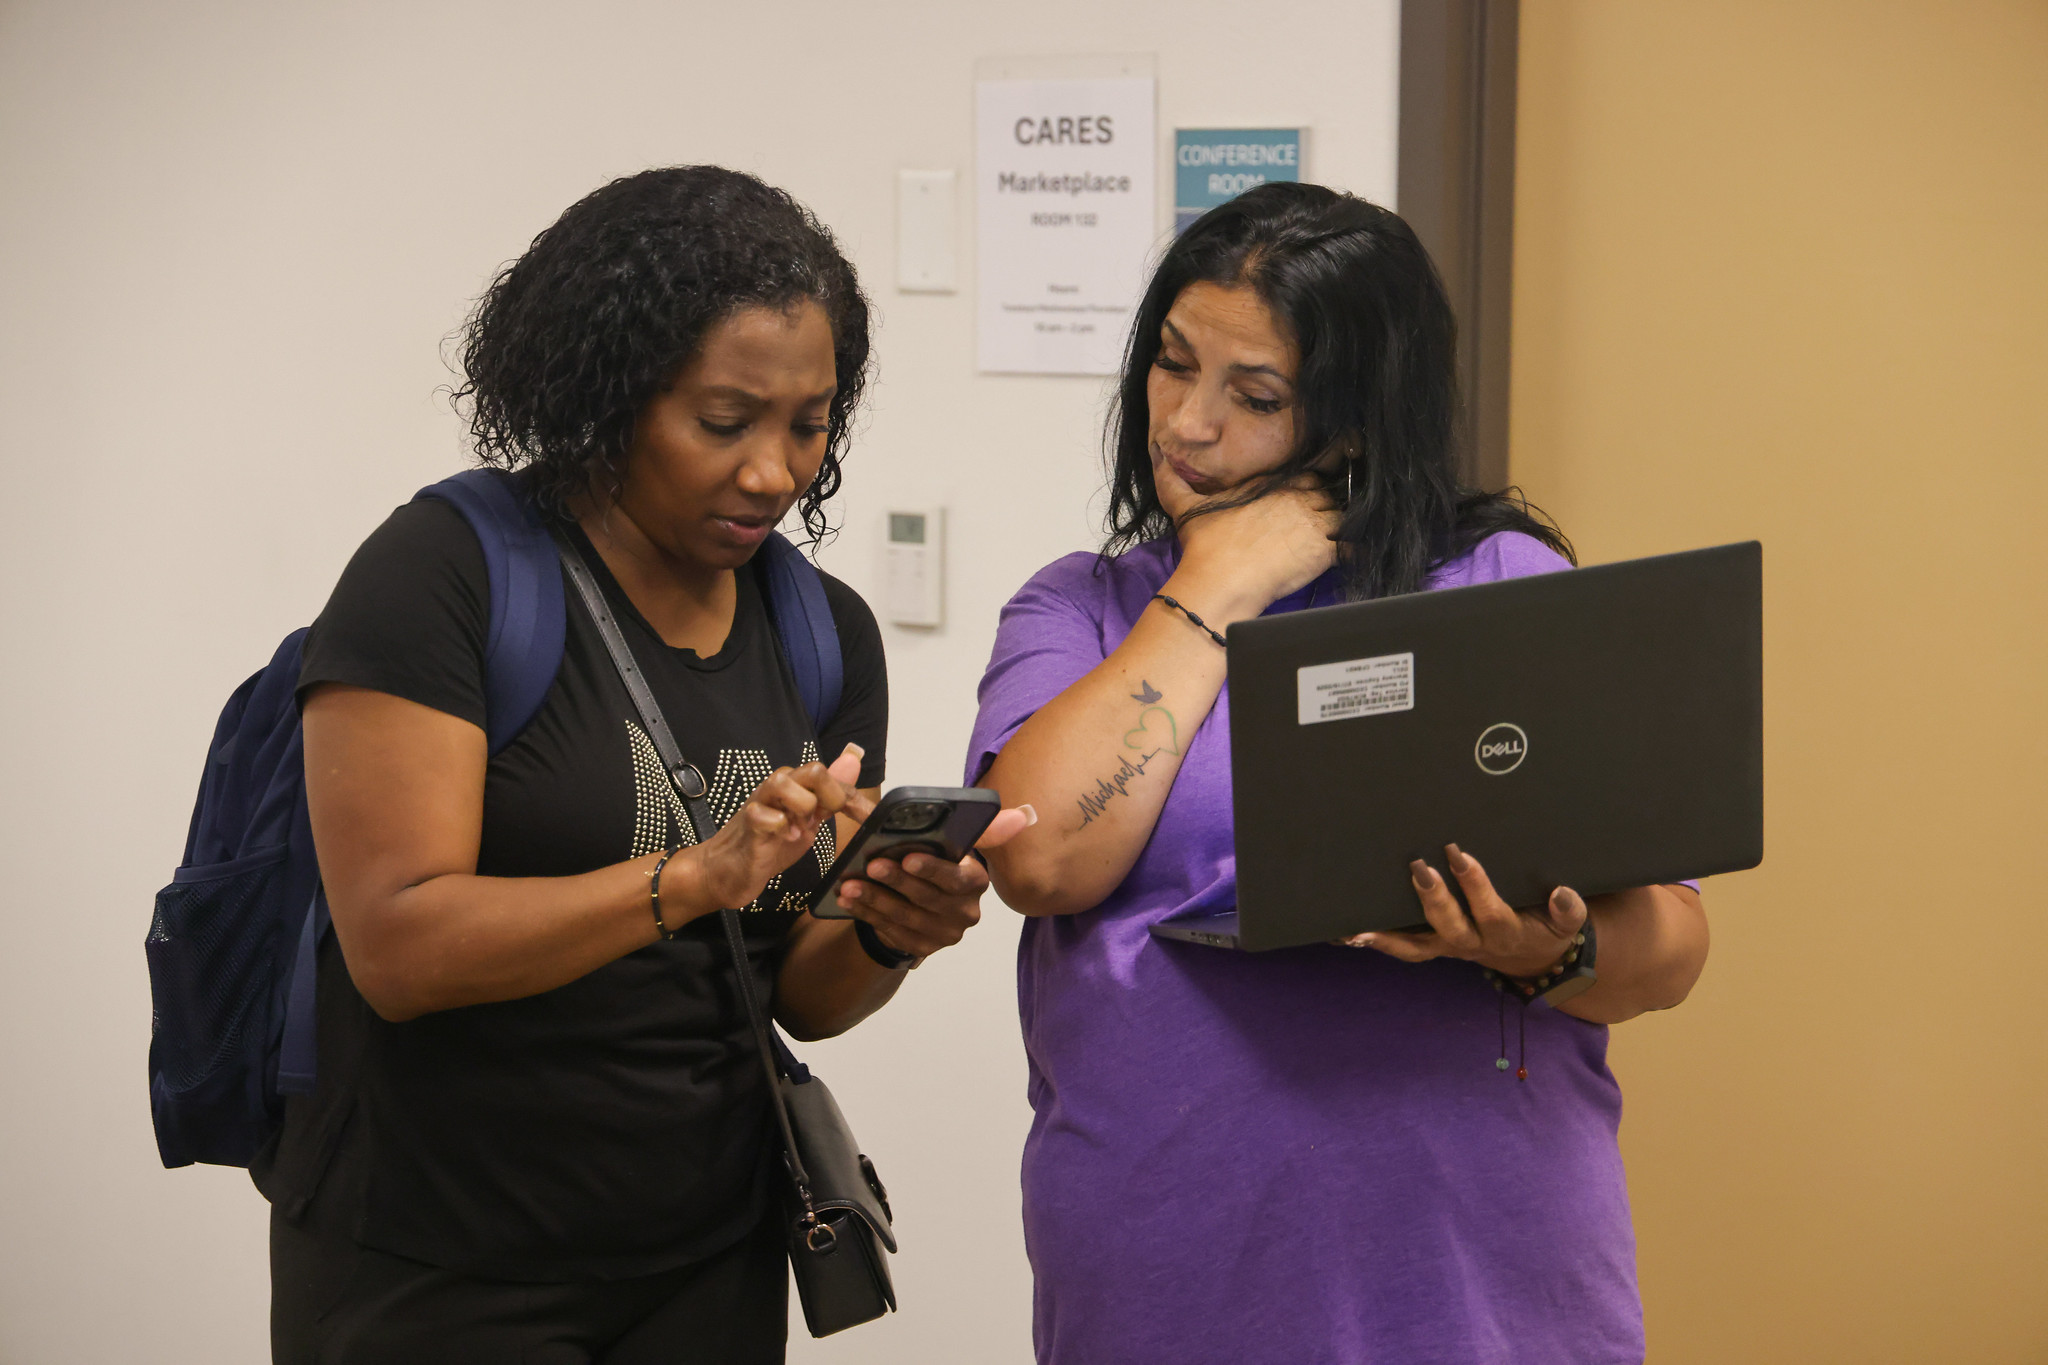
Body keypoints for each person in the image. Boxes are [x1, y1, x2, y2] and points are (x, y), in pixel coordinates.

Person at [259, 166, 1025, 1364]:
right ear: (609, 397)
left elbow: (799, 1002)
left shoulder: (821, 633)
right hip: (437, 1265)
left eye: (810, 423)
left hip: (705, 1259)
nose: (775, 471)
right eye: (724, 422)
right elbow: (398, 948)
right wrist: (693, 878)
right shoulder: (447, 577)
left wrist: (888, 925)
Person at [968, 182, 1709, 1365]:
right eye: (1170, 365)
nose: (1186, 425)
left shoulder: (1497, 587)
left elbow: (1669, 948)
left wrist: (1539, 952)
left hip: (1476, 1269)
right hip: (1170, 1262)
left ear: (1356, 421)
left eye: (1251, 395)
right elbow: (1042, 857)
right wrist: (1214, 589)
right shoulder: (1082, 610)